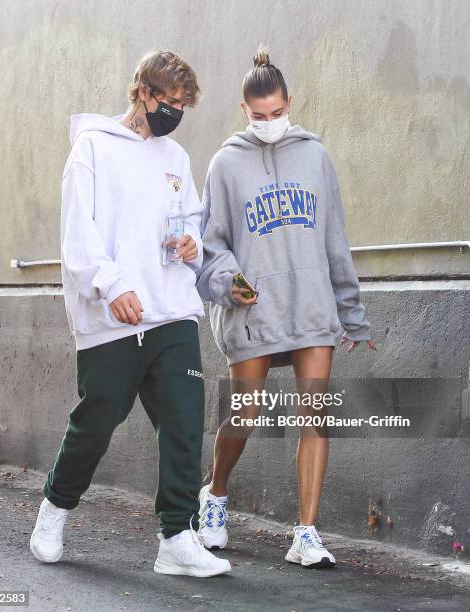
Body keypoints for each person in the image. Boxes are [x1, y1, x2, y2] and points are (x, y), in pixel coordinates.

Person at [29, 49, 231, 578]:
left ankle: (176, 538)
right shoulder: (92, 149)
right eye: (168, 100)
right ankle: (54, 508)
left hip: (171, 311)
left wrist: (191, 244)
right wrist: (110, 284)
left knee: (186, 422)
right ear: (142, 92)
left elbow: (191, 220)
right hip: (113, 315)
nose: (175, 112)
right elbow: (78, 233)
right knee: (97, 422)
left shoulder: (176, 159)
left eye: (183, 104)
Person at [196, 46, 377, 569]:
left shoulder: (315, 156)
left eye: (277, 113)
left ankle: (306, 533)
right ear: (244, 110)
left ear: (289, 103)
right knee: (245, 413)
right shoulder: (226, 163)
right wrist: (232, 283)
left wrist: (352, 313)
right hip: (253, 310)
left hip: (311, 304)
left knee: (314, 417)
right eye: (259, 116)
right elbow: (212, 243)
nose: (270, 123)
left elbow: (334, 240)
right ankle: (216, 495)